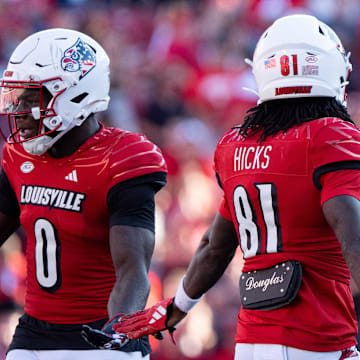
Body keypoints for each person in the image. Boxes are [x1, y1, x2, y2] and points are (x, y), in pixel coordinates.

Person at [83, 14, 360, 360]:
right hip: (319, 339)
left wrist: (176, 309)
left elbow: (216, 246)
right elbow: (352, 233)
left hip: (251, 342)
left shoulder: (234, 145)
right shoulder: (332, 136)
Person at [0, 28, 167, 360]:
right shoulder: (17, 156)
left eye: (32, 98)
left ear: (74, 95)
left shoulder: (121, 158)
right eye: (17, 96)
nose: (20, 110)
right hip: (34, 332)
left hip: (103, 332)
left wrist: (119, 329)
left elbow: (133, 268)